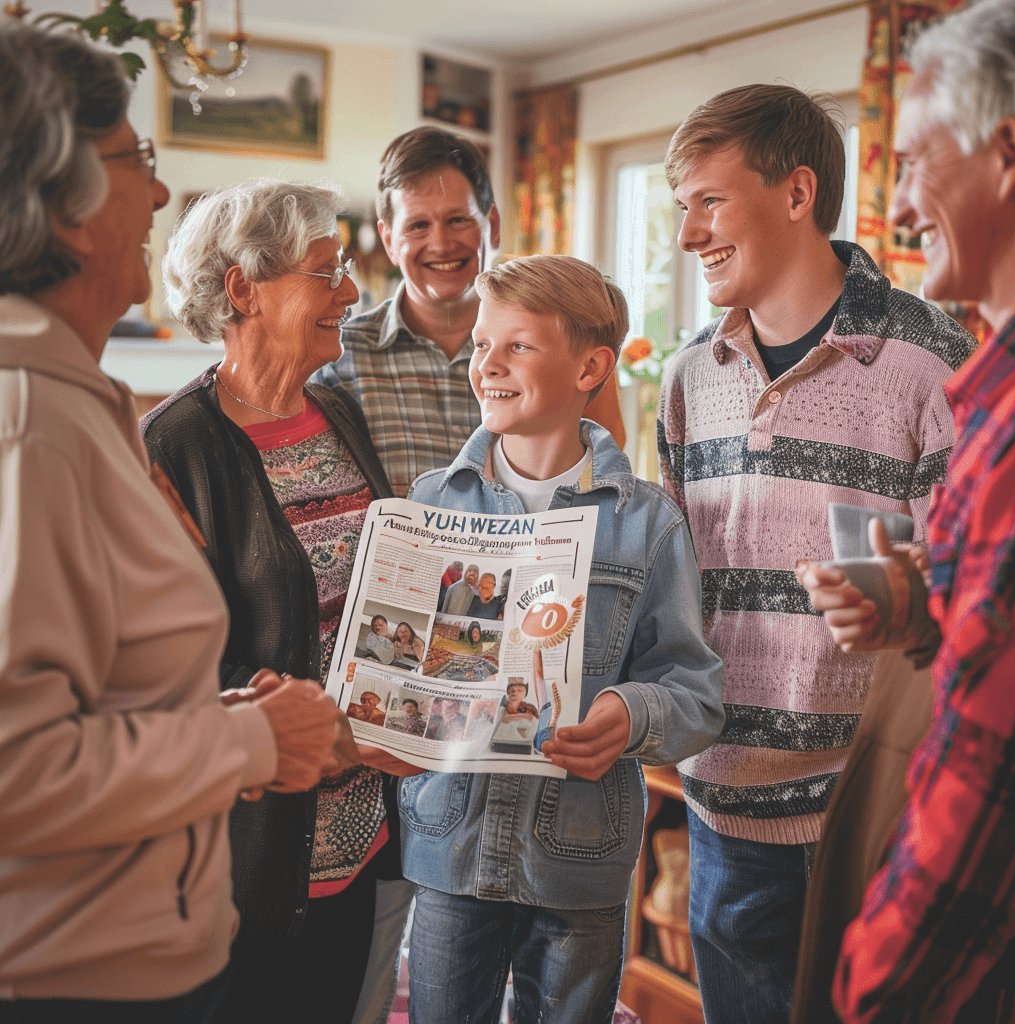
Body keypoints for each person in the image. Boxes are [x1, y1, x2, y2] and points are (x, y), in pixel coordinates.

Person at [0, 25, 343, 1019]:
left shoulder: (77, 401)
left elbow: (95, 697)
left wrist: (232, 720)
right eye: (135, 161)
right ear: (57, 199)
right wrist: (253, 743)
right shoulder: (32, 425)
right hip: (74, 978)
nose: (158, 195)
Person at [656, 83, 976, 1024]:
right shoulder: (687, 379)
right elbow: (677, 595)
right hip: (724, 810)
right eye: (682, 208)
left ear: (797, 194)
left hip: (878, 807)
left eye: (709, 202)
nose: (689, 236)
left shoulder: (931, 358)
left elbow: (977, 594)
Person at [402, 254, 724, 1024]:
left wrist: (628, 712)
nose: (489, 365)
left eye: (518, 346)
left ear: (590, 366)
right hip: (450, 850)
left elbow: (695, 694)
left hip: (579, 860)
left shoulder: (649, 523)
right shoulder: (425, 505)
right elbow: (400, 673)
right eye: (482, 345)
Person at [141, 179, 412, 1024]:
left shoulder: (338, 413)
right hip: (246, 851)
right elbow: (160, 658)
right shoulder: (174, 443)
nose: (351, 290)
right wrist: (295, 728)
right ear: (242, 288)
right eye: (325, 271)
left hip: (362, 827)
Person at [798, 2, 1015, 1017]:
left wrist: (871, 973)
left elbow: (993, 768)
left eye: (916, 159)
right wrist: (915, 592)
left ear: (1007, 152)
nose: (891, 208)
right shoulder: (994, 391)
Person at [311, 126, 625, 499]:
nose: (441, 244)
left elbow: (606, 486)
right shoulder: (338, 361)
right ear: (389, 241)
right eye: (418, 225)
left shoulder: (567, 351)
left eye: (458, 219)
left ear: (491, 226)